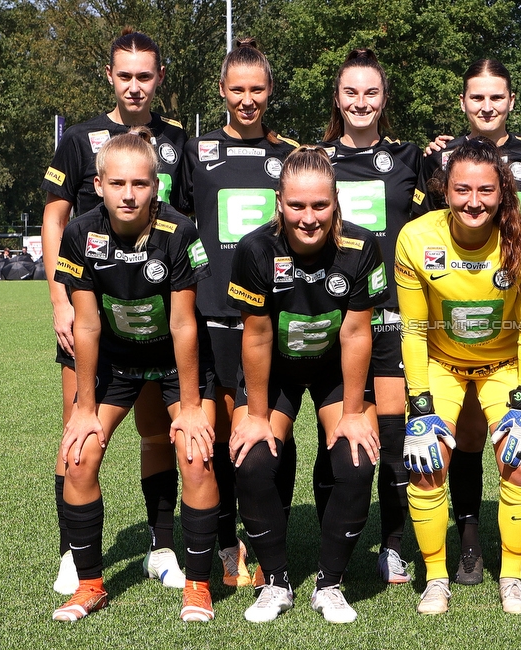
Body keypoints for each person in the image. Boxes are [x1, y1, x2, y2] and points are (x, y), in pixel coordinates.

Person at [40, 28, 187, 596]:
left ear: (159, 79)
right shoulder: (79, 139)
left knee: (157, 433)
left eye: (144, 75)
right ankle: (73, 556)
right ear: (110, 76)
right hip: (88, 310)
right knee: (78, 432)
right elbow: (54, 218)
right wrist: (58, 296)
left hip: (151, 313)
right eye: (124, 75)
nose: (134, 86)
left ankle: (162, 546)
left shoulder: (177, 141)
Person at [51, 128, 219, 622]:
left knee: (196, 455)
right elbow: (86, 323)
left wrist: (189, 406)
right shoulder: (80, 233)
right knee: (79, 456)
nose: (129, 194)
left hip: (175, 362)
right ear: (98, 184)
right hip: (117, 362)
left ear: (156, 188)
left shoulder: (179, 232)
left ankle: (198, 585)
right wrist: (83, 409)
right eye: (118, 183)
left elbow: (185, 323)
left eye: (141, 184)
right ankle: (89, 585)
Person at [227, 146, 387, 624]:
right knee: (252, 461)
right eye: (297, 205)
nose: (309, 217)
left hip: (336, 370)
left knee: (356, 461)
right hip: (274, 371)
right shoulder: (255, 249)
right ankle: (276, 583)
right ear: (279, 202)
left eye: (320, 205)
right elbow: (255, 336)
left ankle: (329, 584)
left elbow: (358, 333)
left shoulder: (360, 247)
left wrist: (355, 414)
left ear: (336, 201)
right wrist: (256, 417)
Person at [396, 138, 521, 615]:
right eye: (463, 189)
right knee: (425, 463)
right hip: (441, 362)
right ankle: (436, 577)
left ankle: (511, 576)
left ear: (503, 192)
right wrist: (420, 403)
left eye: (486, 190)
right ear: (445, 190)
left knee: (520, 461)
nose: (474, 201)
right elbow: (415, 329)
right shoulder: (416, 239)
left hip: (504, 364)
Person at [421, 58, 521, 585]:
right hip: (454, 317)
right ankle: (470, 536)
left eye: (496, 97)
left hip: (517, 313)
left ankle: (508, 548)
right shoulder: (441, 156)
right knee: (466, 436)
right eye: (476, 97)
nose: (486, 106)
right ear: (463, 102)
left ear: (511, 101)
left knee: (508, 433)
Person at [179, 38, 298, 588]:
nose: (247, 100)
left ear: (270, 91)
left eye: (256, 90)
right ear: (222, 92)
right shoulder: (196, 151)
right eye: (237, 90)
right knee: (225, 431)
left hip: (270, 319)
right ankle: (227, 545)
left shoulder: (290, 154)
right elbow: (179, 224)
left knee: (275, 432)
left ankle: (269, 535)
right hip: (211, 313)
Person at [317, 49, 425, 585]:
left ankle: (392, 544)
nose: (361, 102)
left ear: (385, 100)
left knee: (389, 434)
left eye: (371, 93)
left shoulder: (410, 159)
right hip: (326, 315)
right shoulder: (314, 160)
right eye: (351, 93)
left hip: (389, 316)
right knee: (332, 433)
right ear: (337, 99)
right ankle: (329, 536)